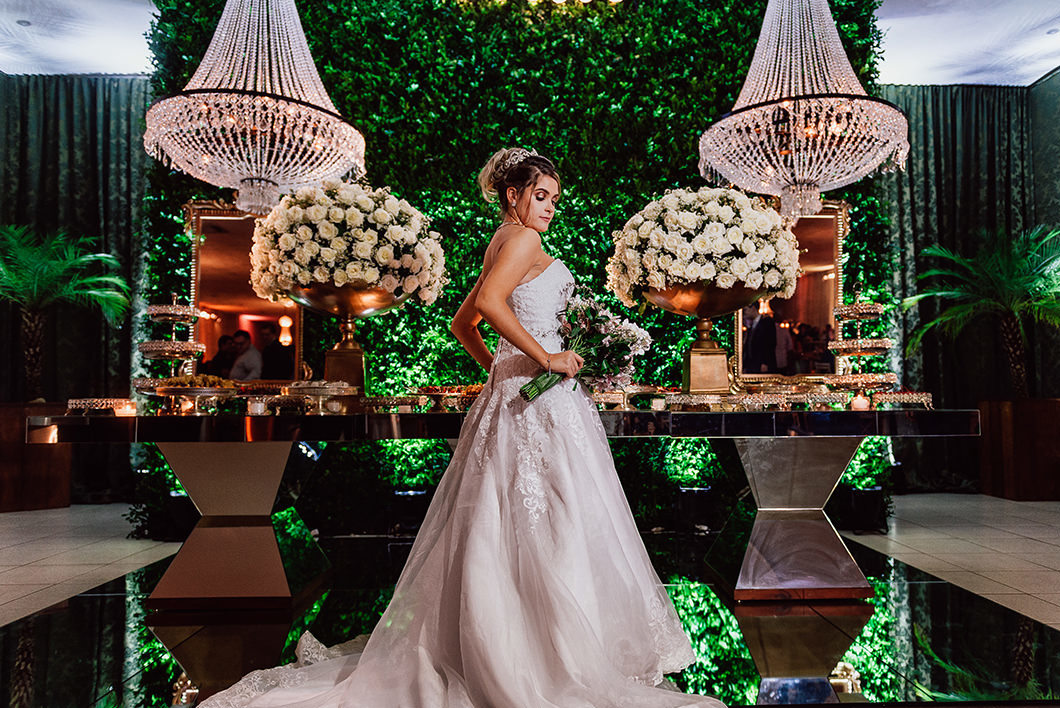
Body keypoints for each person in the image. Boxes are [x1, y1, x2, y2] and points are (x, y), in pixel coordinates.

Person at [202, 149, 723, 708]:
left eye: (553, 199)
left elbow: (463, 323)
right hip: (538, 403)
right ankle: (547, 654)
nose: (549, 208)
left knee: (512, 520)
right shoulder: (521, 241)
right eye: (540, 196)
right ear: (512, 196)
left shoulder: (502, 241)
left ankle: (505, 641)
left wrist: (503, 370)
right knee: (553, 517)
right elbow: (494, 307)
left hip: (517, 401)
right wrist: (545, 359)